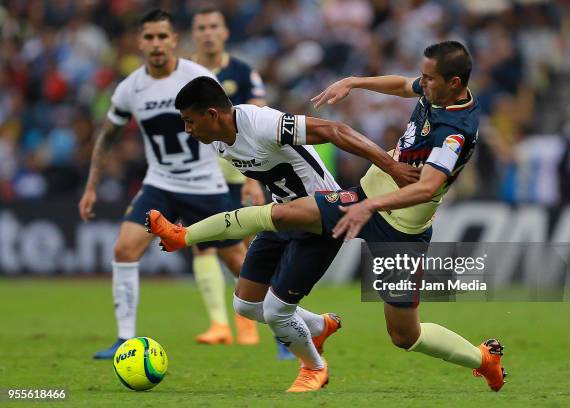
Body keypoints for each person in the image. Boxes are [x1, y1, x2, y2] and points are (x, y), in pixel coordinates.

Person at [147, 41, 507, 392]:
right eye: (422, 76)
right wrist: (354, 81)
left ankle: (483, 360)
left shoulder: (455, 133)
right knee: (284, 216)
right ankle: (184, 237)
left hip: (402, 227)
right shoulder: (435, 90)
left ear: (454, 83)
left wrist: (370, 205)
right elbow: (401, 85)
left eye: (428, 79)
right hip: (364, 196)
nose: (421, 83)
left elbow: (427, 188)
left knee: (404, 335)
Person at [148, 75, 420, 391]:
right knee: (246, 306)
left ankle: (314, 369)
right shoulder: (220, 143)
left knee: (277, 311)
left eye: (190, 121)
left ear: (212, 114)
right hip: (283, 215)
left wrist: (391, 166)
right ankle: (318, 326)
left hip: (321, 217)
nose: (188, 130)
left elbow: (336, 131)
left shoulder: (264, 123)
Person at [78, 9, 250, 359]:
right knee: (124, 249)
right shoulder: (130, 88)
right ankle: (125, 339)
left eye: (162, 36)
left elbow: (231, 125)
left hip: (205, 184)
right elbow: (107, 135)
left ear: (174, 40)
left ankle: (285, 327)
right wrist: (92, 186)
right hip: (161, 184)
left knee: (239, 261)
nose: (156, 44)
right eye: (149, 37)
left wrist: (250, 174)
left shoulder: (198, 78)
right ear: (139, 42)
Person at [189, 6, 271, 350]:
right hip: (198, 175)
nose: (208, 32)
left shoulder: (243, 72)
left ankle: (254, 322)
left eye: (214, 26)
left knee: (248, 249)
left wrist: (253, 178)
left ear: (224, 32)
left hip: (239, 173)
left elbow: (259, 120)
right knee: (203, 246)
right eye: (202, 27)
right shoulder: (185, 75)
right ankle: (220, 324)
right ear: (194, 34)